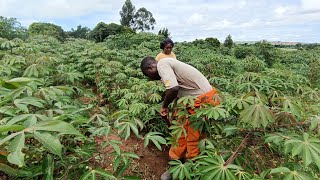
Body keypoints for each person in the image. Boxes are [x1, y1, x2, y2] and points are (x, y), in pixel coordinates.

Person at [140, 56, 220, 179]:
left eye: (148, 75)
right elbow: (179, 91)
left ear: (150, 68)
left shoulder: (162, 64)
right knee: (180, 133)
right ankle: (176, 165)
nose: (151, 78)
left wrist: (164, 106)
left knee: (194, 136)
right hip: (190, 101)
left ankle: (190, 169)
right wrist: (173, 111)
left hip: (202, 102)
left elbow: (173, 88)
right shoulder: (168, 65)